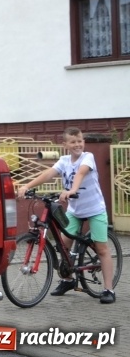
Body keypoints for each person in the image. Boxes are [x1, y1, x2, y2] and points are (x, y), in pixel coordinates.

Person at [17, 127, 115, 304]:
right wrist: (27, 186)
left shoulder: (88, 157)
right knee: (64, 245)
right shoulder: (64, 161)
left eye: (80, 141)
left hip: (95, 209)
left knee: (101, 249)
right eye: (73, 142)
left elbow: (81, 173)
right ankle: (68, 280)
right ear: (65, 145)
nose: (77, 144)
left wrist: (72, 190)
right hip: (75, 210)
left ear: (83, 142)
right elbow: (48, 174)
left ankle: (109, 289)